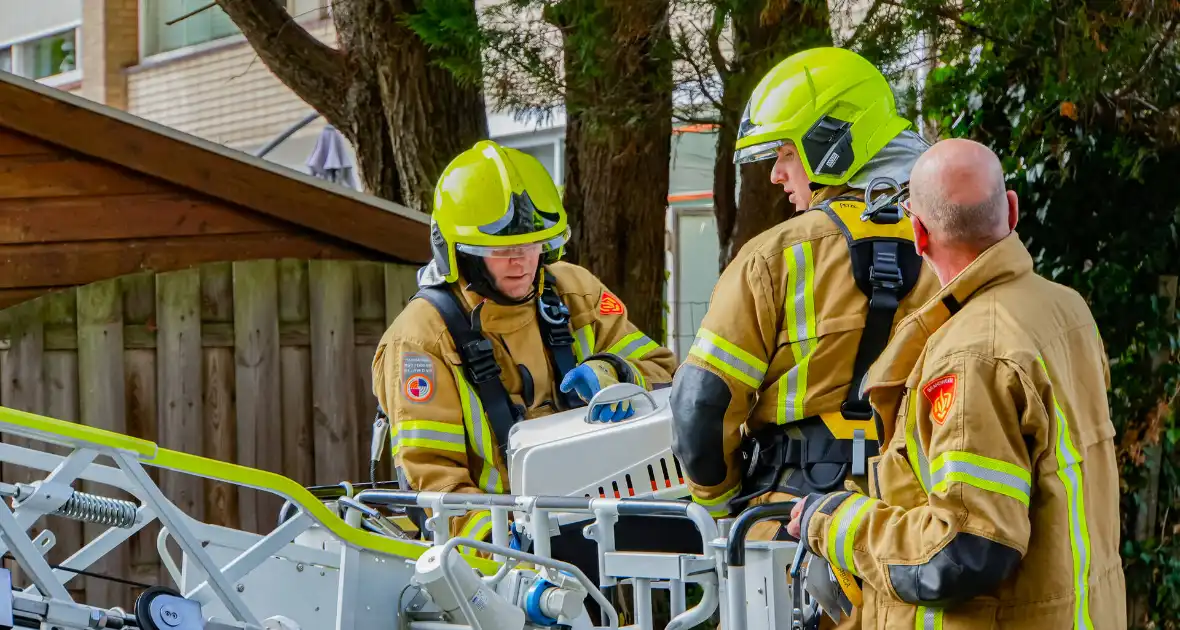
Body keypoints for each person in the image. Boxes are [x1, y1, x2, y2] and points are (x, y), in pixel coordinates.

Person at [786, 138, 1127, 628]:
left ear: (918, 234)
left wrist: (837, 521)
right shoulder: (1064, 308)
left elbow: (965, 551)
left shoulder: (969, 357)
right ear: (1011, 209)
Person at [669, 46, 940, 624]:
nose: (775, 173)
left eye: (786, 153)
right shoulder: (947, 245)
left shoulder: (774, 257)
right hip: (915, 527)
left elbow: (701, 406)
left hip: (792, 530)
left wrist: (720, 508)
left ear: (833, 143)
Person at [372, 139, 677, 546]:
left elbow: (669, 378)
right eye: (501, 250)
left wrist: (615, 372)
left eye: (531, 245)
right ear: (460, 254)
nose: (521, 262)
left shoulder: (576, 293)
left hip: (599, 527)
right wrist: (507, 553)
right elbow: (433, 482)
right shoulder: (419, 341)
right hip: (497, 562)